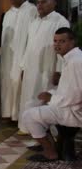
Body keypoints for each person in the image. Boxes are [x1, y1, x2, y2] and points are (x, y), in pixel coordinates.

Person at [21, 27, 82, 162]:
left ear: (72, 42)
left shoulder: (76, 61)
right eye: (55, 41)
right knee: (31, 104)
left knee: (28, 116)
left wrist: (51, 98)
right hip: (68, 105)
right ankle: (48, 142)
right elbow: (67, 88)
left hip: (74, 111)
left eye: (62, 41)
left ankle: (50, 152)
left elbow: (76, 95)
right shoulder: (71, 58)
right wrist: (50, 94)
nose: (57, 44)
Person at [18, 0, 70, 134]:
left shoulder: (60, 21)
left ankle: (45, 132)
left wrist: (59, 70)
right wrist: (23, 67)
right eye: (38, 2)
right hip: (30, 67)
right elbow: (28, 46)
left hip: (48, 69)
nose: (39, 5)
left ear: (53, 4)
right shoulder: (34, 21)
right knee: (29, 97)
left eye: (43, 2)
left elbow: (63, 48)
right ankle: (27, 127)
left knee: (43, 98)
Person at [0, 0, 37, 121]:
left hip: (22, 56)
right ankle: (8, 113)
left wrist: (26, 60)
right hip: (8, 57)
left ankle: (19, 116)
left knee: (19, 84)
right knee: (7, 82)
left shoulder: (31, 10)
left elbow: (33, 36)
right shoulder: (8, 13)